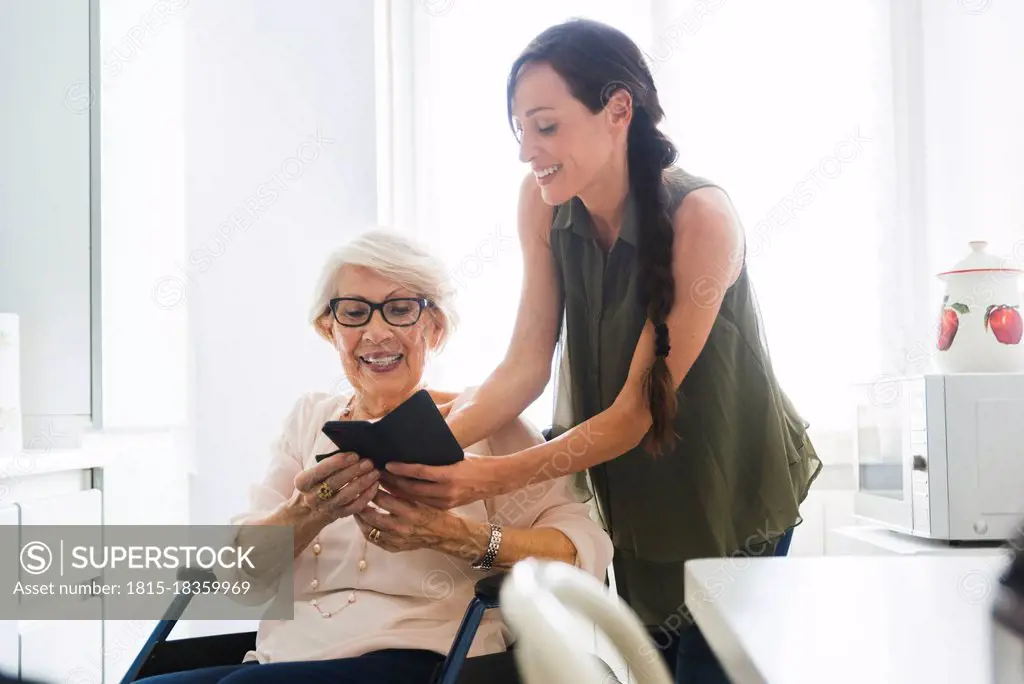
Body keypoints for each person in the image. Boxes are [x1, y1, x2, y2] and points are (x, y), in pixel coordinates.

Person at [381, 18, 823, 684]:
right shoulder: (542, 204)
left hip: (732, 502)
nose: (528, 150)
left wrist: (482, 478)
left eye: (546, 126)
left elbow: (634, 414)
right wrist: (417, 448)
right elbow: (524, 367)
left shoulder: (700, 219)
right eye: (519, 130)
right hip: (638, 505)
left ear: (618, 110)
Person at [138, 230, 613, 684]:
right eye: (354, 312)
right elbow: (244, 576)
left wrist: (459, 536)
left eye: (401, 309)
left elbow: (580, 553)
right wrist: (306, 512)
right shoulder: (309, 419)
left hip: (431, 657)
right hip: (286, 655)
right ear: (330, 328)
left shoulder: (488, 420)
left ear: (435, 326)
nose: (377, 332)